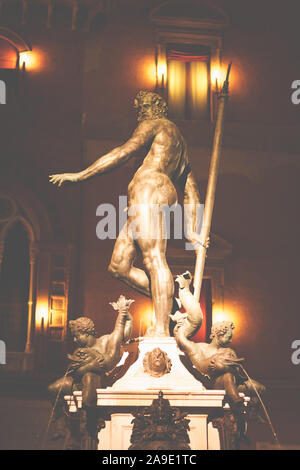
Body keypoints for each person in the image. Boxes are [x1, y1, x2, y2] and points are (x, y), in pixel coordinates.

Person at [49, 91, 205, 337]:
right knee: (118, 266)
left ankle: (162, 331)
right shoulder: (178, 144)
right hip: (150, 195)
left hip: (149, 191)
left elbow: (123, 152)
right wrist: (192, 230)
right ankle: (170, 303)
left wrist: (81, 176)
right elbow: (191, 190)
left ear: (156, 107)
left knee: (154, 258)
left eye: (142, 106)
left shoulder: (154, 125)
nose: (139, 111)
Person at [48, 296, 133, 438]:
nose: (75, 340)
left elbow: (121, 333)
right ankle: (59, 424)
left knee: (89, 378)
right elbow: (74, 370)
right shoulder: (79, 350)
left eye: (77, 336)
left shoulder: (105, 341)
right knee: (53, 388)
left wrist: (124, 314)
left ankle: (90, 418)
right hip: (78, 382)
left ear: (87, 332)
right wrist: (85, 367)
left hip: (97, 381)